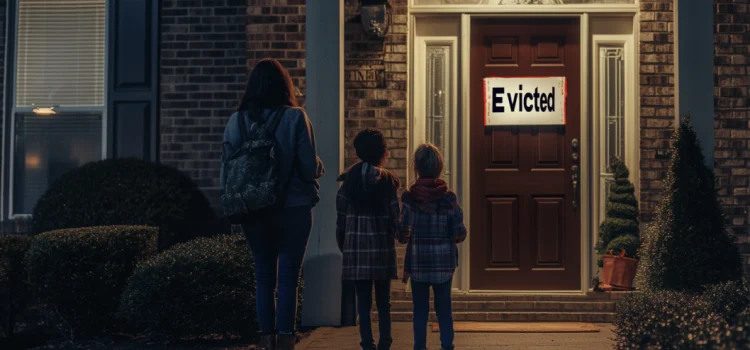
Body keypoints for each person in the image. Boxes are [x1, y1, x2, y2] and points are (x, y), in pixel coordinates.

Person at [222, 58, 325, 350]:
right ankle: (287, 341)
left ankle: (266, 339)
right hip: (293, 207)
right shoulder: (295, 118)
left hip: (253, 210)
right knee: (289, 276)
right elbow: (307, 168)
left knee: (263, 274)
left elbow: (227, 170)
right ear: (285, 86)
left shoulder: (236, 121)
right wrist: (318, 166)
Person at [398, 143, 467, 350]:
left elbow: (402, 232)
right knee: (443, 308)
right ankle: (447, 345)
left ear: (416, 167)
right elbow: (460, 232)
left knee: (420, 310)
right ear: (439, 167)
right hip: (443, 264)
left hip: (418, 263)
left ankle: (420, 346)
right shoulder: (448, 198)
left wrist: (408, 233)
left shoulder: (410, 198)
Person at [336, 129, 400, 350]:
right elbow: (395, 215)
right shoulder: (388, 181)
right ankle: (385, 341)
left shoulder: (348, 182)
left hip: (356, 249)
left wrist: (343, 243)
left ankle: (367, 342)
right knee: (384, 300)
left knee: (363, 301)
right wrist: (401, 233)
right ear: (382, 152)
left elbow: (341, 217)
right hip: (381, 249)